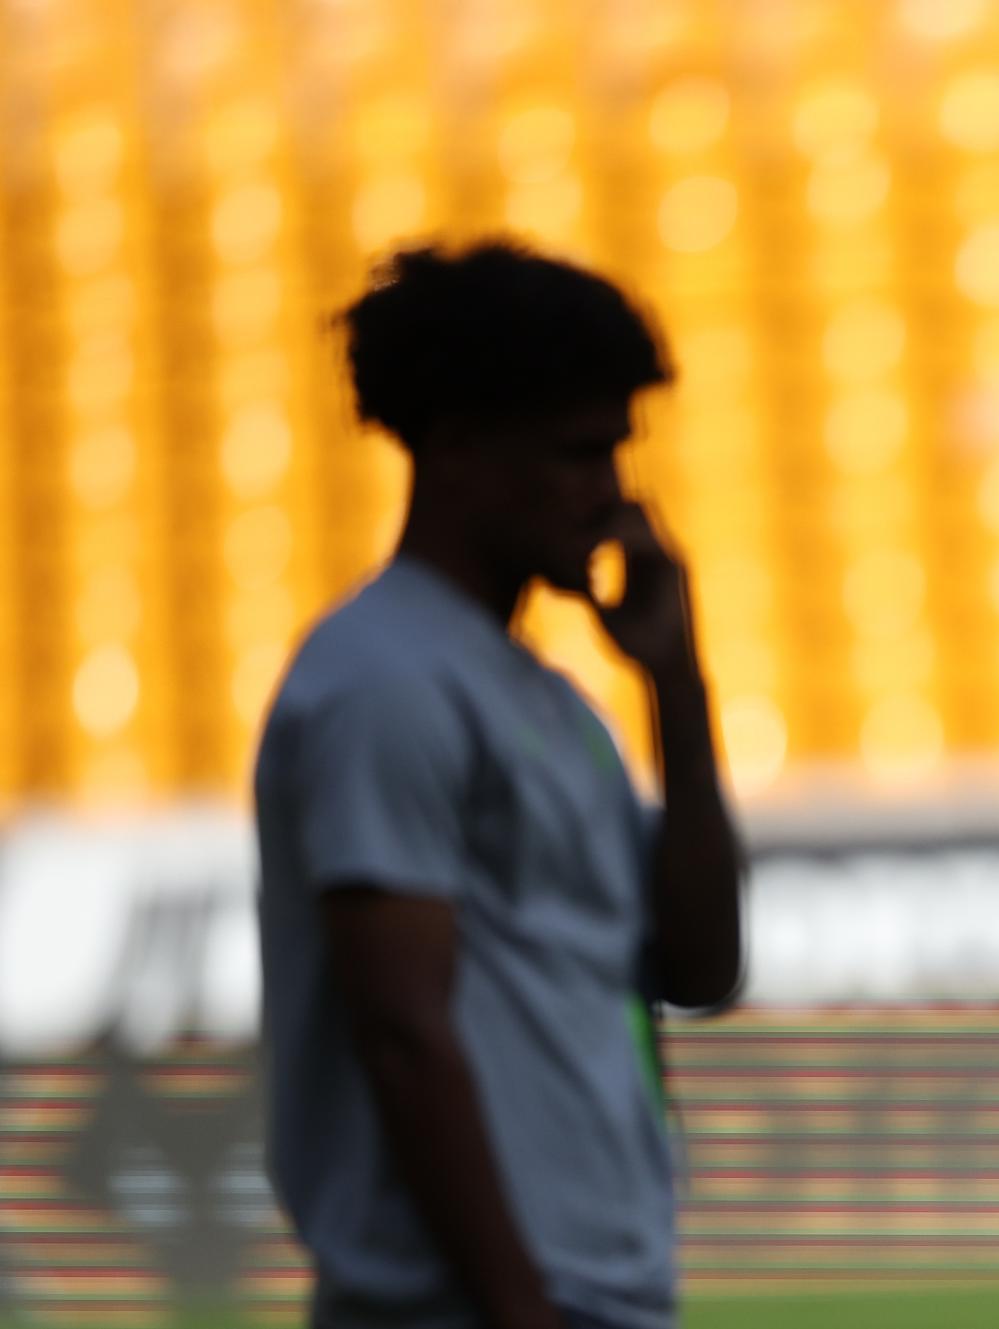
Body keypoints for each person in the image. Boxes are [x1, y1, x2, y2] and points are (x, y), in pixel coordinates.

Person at [254, 241, 743, 1329]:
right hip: (466, 1307)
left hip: (586, 1296)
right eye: (576, 453)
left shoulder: (553, 702)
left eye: (617, 451)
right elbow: (401, 1031)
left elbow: (702, 966)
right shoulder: (381, 680)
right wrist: (518, 1309)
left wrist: (677, 685)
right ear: (460, 444)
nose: (610, 494)